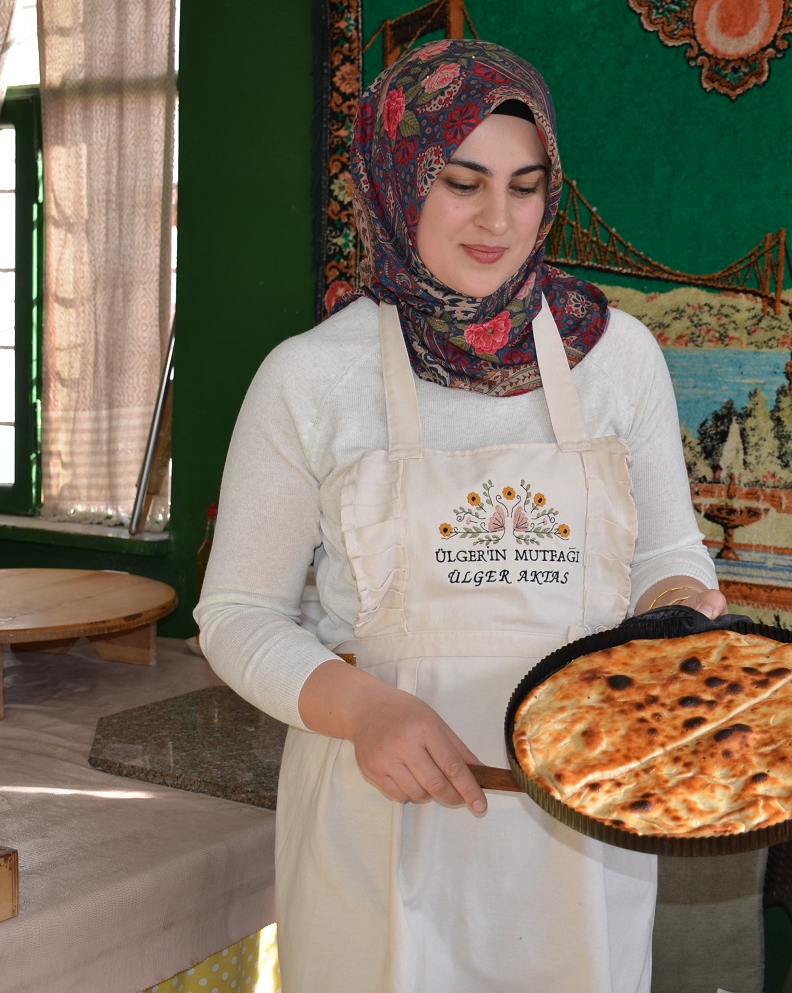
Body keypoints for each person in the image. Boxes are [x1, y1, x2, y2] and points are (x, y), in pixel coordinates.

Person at [195, 37, 726, 993]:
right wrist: (362, 707)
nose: (498, 220)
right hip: (377, 828)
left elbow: (669, 555)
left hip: (585, 825)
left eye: (525, 187)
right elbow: (235, 615)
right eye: (461, 180)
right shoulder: (310, 377)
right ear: (397, 180)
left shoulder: (619, 357)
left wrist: (679, 612)